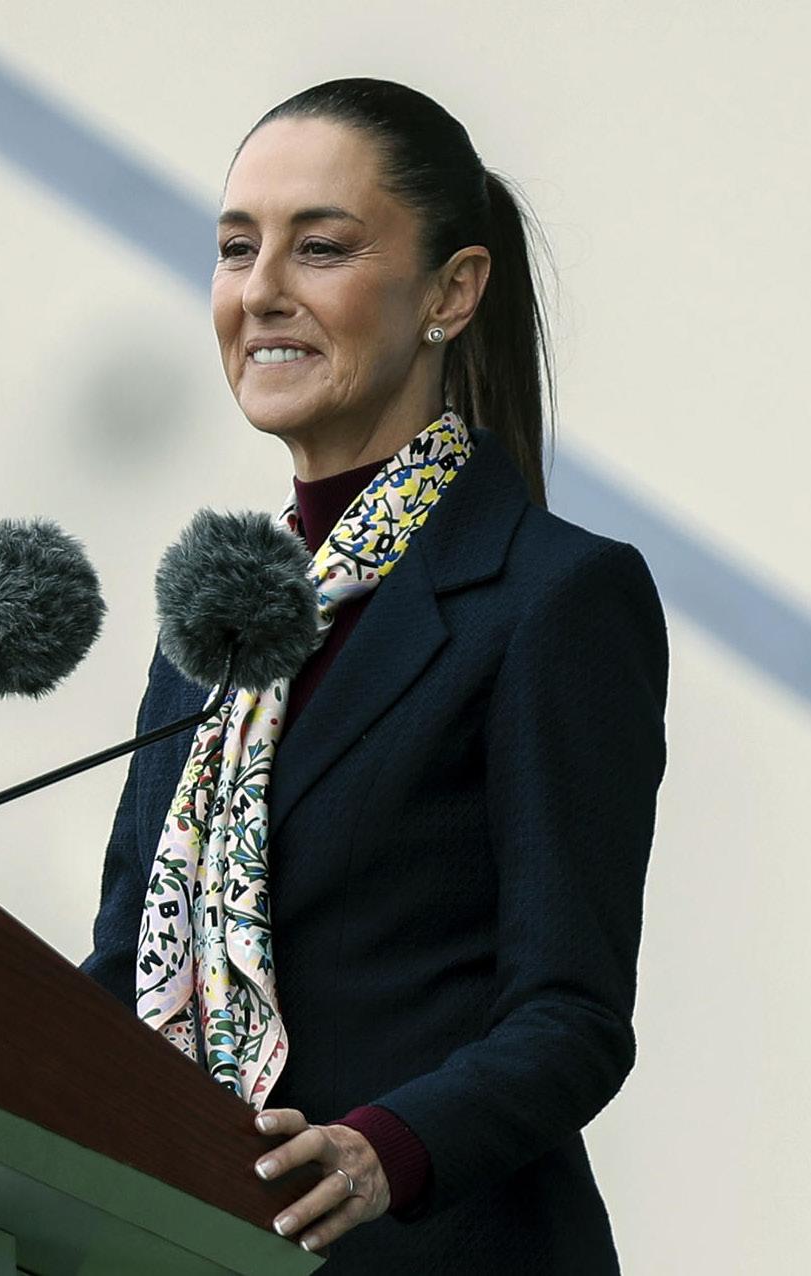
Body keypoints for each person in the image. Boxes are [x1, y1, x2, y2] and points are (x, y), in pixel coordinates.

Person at [81, 78, 668, 1273]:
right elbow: (119, 970)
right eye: (235, 248)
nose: (260, 290)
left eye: (321, 248)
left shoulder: (552, 599)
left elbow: (571, 1015)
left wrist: (380, 1151)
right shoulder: (215, 623)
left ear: (451, 293)